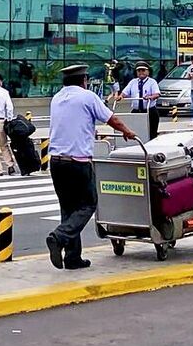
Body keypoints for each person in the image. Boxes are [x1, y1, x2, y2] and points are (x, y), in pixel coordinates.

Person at [44, 65, 137, 270]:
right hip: (78, 162)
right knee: (88, 204)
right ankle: (58, 237)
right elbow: (111, 118)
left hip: (56, 161)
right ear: (84, 80)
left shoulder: (57, 98)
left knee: (69, 209)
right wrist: (128, 132)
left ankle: (72, 258)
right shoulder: (87, 97)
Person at [121, 62, 161, 139]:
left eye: (143, 70)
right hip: (136, 111)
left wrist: (150, 97)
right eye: (139, 71)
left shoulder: (152, 82)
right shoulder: (133, 82)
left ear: (148, 71)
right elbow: (125, 92)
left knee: (151, 134)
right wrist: (120, 96)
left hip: (149, 111)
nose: (141, 72)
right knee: (135, 132)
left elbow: (157, 94)